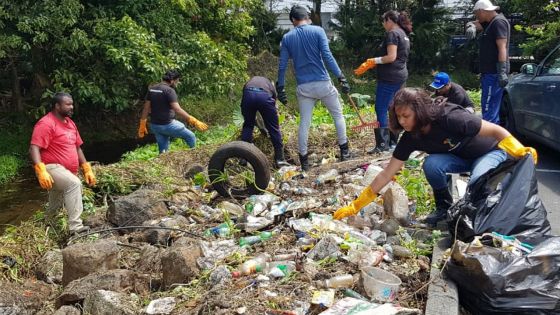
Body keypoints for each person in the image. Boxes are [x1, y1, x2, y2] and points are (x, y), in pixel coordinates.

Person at [332, 88, 537, 226]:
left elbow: (496, 130)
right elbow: (387, 173)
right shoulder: (411, 136)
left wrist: (518, 149)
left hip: (490, 152)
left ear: (419, 111)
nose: (402, 121)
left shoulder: (449, 117)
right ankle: (444, 208)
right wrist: (356, 204)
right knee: (431, 164)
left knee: (476, 181)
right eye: (399, 116)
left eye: (406, 116)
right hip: (461, 157)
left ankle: (482, 220)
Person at [277, 5, 353, 171]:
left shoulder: (287, 38)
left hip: (304, 87)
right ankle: (345, 151)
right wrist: (341, 76)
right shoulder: (318, 31)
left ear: (292, 20)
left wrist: (280, 87)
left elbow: (282, 65)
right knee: (338, 115)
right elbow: (327, 56)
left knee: (305, 123)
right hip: (323, 83)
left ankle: (304, 162)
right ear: (307, 17)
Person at [29, 92, 96, 235]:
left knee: (56, 199)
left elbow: (77, 147)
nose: (72, 107)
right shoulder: (46, 123)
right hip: (50, 168)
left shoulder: (70, 123)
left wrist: (86, 167)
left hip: (66, 170)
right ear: (57, 106)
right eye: (68, 104)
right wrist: (41, 170)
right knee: (74, 184)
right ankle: (76, 227)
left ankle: (49, 224)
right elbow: (34, 148)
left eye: (72, 104)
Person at [354, 10, 412, 153]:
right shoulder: (404, 34)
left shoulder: (393, 34)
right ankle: (393, 142)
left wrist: (374, 61)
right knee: (393, 108)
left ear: (389, 20)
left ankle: (382, 145)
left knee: (381, 107)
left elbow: (391, 57)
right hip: (400, 75)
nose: (383, 24)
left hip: (389, 78)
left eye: (383, 21)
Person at [138, 70, 208, 153]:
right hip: (168, 125)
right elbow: (177, 109)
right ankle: (194, 156)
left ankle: (163, 162)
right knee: (191, 136)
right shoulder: (169, 91)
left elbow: (146, 108)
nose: (177, 83)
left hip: (155, 126)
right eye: (177, 81)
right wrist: (193, 120)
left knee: (163, 150)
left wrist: (143, 123)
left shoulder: (152, 89)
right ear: (172, 81)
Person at [465, 0, 510, 124]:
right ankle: (494, 138)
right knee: (491, 107)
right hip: (489, 72)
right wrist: (470, 25)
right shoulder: (489, 23)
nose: (476, 17)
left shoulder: (498, 22)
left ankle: (488, 139)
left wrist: (502, 71)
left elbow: (502, 47)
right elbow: (476, 23)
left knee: (488, 108)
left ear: (482, 11)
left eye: (476, 14)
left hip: (494, 72)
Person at [240, 76, 290, 168]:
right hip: (264, 97)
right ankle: (280, 160)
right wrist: (267, 127)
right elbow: (273, 105)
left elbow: (245, 98)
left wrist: (256, 124)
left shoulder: (250, 82)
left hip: (248, 95)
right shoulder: (270, 85)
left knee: (248, 125)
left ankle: (244, 157)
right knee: (274, 128)